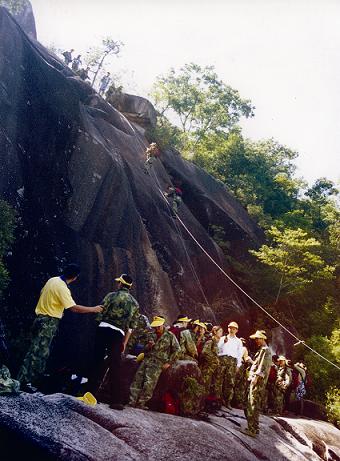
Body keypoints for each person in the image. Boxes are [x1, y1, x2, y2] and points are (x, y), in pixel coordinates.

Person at [17, 264, 103, 393]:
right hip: (49, 321)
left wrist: (55, 307)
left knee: (32, 350)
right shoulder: (63, 288)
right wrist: (94, 309)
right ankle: (28, 383)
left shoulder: (52, 280)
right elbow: (73, 308)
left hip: (39, 318)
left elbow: (43, 293)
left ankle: (21, 379)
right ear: (75, 277)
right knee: (40, 353)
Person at [89, 274, 139, 410]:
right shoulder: (135, 303)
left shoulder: (111, 296)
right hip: (119, 334)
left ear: (120, 284)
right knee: (115, 366)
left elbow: (99, 315)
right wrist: (124, 342)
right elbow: (131, 327)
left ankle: (90, 394)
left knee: (97, 361)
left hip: (104, 328)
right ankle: (117, 400)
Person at [129, 316, 180, 409]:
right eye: (155, 327)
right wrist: (148, 346)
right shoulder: (151, 334)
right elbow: (142, 348)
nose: (156, 329)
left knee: (149, 384)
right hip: (147, 359)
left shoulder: (170, 336)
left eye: (158, 327)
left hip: (158, 362)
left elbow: (177, 350)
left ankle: (141, 403)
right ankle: (132, 401)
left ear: (162, 325)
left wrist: (169, 362)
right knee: (137, 380)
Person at [241, 330, 272, 438]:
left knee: (252, 404)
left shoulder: (266, 350)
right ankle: (255, 428)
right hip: (255, 380)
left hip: (257, 382)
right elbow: (258, 365)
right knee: (252, 404)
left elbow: (263, 367)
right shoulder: (262, 350)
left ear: (263, 339)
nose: (256, 340)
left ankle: (252, 429)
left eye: (258, 338)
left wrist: (256, 378)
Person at [216, 321, 243, 409]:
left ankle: (227, 402)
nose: (232, 330)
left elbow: (240, 354)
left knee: (230, 382)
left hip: (232, 361)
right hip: (222, 359)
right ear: (228, 329)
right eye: (230, 328)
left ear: (237, 330)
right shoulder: (222, 338)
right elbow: (218, 349)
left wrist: (238, 365)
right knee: (219, 380)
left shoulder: (239, 341)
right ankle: (217, 400)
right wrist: (223, 342)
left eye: (234, 328)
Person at [199, 325, 222, 398]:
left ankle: (208, 404)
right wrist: (215, 359)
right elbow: (205, 352)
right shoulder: (210, 341)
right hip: (207, 369)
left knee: (210, 387)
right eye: (220, 331)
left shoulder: (216, 342)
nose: (221, 333)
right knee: (205, 386)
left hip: (212, 369)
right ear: (215, 332)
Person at [233, 337, 250, 409]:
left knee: (233, 382)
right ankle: (238, 402)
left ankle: (231, 400)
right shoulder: (244, 349)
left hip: (233, 364)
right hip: (240, 366)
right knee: (239, 384)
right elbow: (246, 359)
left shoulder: (234, 347)